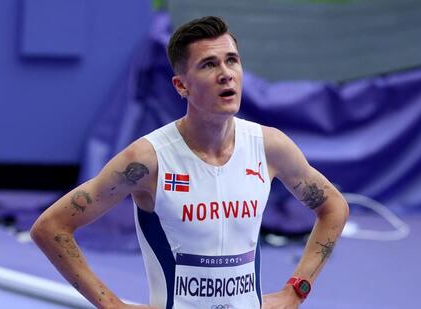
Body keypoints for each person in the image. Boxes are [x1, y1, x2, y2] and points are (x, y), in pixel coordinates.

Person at [31, 16, 349, 309]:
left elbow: (334, 206)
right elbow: (51, 227)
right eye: (209, 64)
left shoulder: (269, 146)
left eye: (232, 60)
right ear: (181, 85)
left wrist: (297, 290)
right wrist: (112, 305)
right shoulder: (147, 160)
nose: (225, 73)